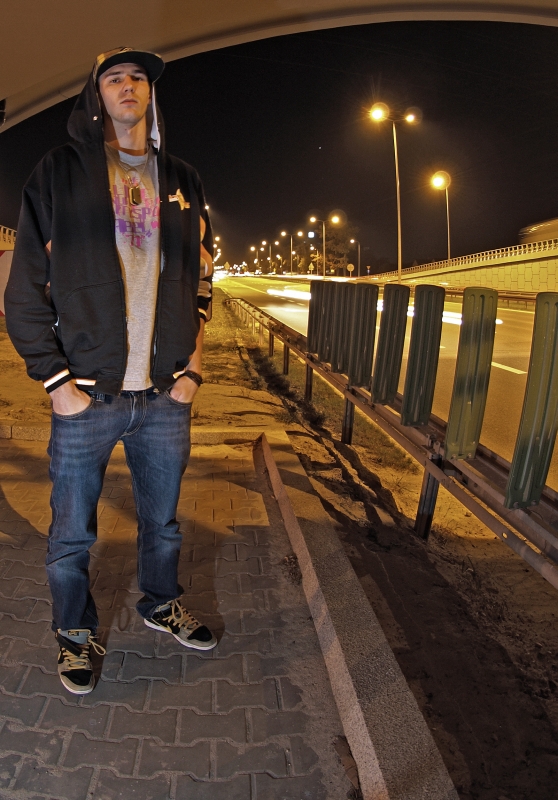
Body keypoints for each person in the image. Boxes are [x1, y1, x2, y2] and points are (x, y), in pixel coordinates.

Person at [5, 47, 217, 696]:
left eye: (139, 78)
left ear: (151, 94)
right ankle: (74, 632)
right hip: (87, 397)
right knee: (72, 533)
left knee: (164, 523)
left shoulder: (182, 178)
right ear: (95, 96)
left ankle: (160, 602)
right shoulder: (59, 173)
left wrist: (192, 371)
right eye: (115, 78)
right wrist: (56, 383)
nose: (129, 86)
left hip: (164, 396)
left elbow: (202, 280)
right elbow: (23, 290)